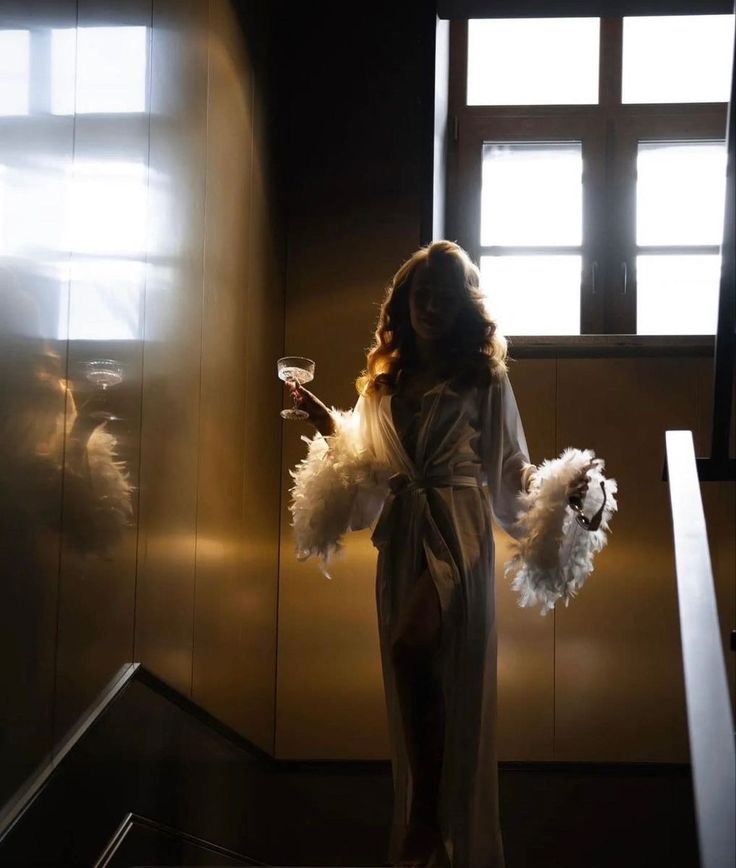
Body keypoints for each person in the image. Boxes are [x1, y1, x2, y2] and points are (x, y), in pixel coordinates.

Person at [286, 240, 591, 868]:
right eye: (420, 295)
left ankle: (427, 813)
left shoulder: (484, 376)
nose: (429, 306)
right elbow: (369, 468)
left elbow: (509, 468)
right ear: (403, 303)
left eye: (442, 297)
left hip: (458, 524)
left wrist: (558, 486)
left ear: (459, 307)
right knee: (415, 666)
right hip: (402, 533)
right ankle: (425, 816)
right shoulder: (383, 383)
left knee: (413, 645)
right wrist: (322, 417)